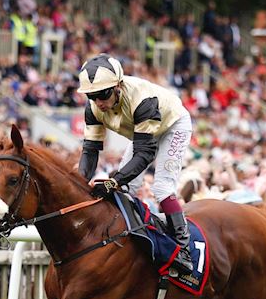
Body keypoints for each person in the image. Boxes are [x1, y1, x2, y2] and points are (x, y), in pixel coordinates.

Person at [77, 53, 194, 273]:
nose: (99, 102)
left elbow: (145, 154)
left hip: (172, 125)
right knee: (127, 186)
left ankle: (183, 247)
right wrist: (78, 183)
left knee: (161, 187)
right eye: (92, 96)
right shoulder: (92, 109)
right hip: (144, 132)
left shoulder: (142, 99)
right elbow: (90, 152)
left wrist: (113, 181)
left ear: (118, 85)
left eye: (103, 94)